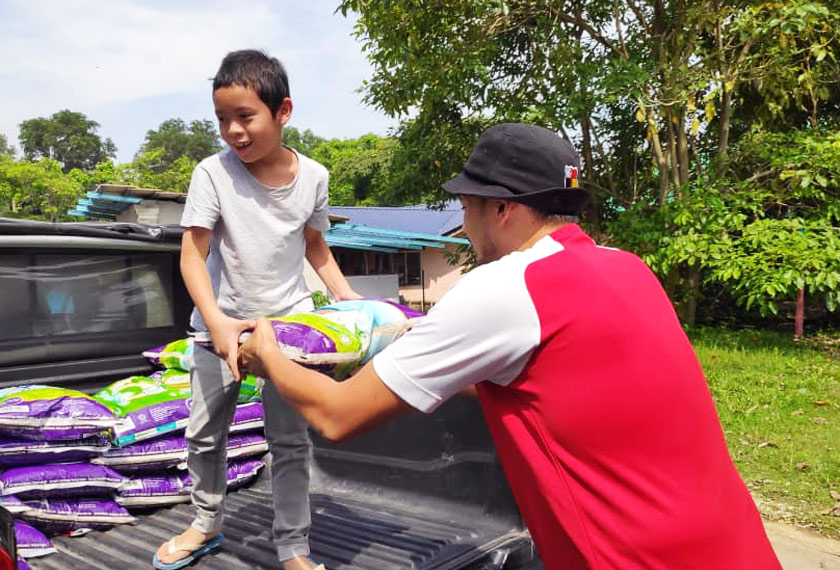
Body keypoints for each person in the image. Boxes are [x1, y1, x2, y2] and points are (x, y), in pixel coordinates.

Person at [237, 123, 783, 569]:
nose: (464, 225)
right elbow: (543, 388)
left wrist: (270, 356)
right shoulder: (627, 267)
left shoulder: (505, 287)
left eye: (468, 207)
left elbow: (336, 416)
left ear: (502, 209)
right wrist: (399, 352)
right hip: (736, 547)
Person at [153, 49, 359, 570]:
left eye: (245, 117)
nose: (233, 131)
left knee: (289, 444)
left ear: (282, 111)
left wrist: (347, 299)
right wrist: (218, 322)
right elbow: (193, 255)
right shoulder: (211, 173)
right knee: (203, 435)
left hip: (287, 331)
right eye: (222, 119)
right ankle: (206, 523)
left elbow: (316, 248)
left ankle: (293, 548)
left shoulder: (313, 176)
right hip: (217, 328)